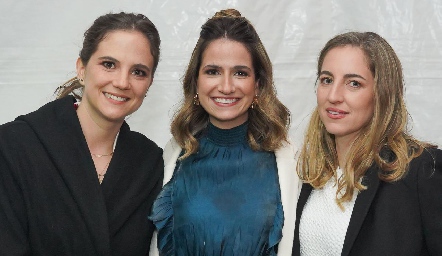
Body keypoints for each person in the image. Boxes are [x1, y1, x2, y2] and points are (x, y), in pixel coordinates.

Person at [0, 12, 164, 255]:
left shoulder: (148, 162)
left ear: (149, 83)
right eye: (109, 64)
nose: (122, 82)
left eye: (138, 71)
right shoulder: (14, 146)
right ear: (82, 68)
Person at [148, 8, 299, 256]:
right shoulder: (173, 157)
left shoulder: (290, 162)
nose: (226, 87)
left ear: (258, 85)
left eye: (240, 73)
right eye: (213, 71)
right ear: (196, 82)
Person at [292, 31, 442, 256]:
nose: (334, 95)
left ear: (382, 93)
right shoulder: (309, 173)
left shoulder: (421, 170)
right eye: (327, 80)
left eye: (353, 83)